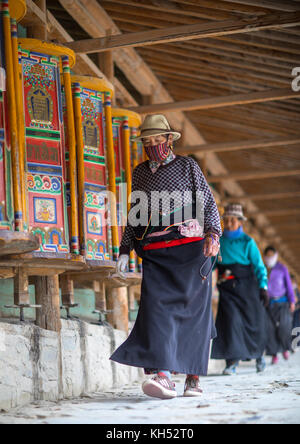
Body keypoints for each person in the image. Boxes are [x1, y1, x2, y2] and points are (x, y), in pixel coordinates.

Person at [110, 114, 222, 400]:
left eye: (157, 139)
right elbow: (135, 214)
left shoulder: (188, 166)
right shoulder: (140, 173)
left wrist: (213, 234)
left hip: (191, 251)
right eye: (147, 141)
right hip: (156, 254)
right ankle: (163, 374)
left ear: (169, 140)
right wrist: (124, 249)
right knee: (157, 310)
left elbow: (207, 202)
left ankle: (193, 378)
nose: (152, 145)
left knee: (193, 314)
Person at [211, 204, 269, 375]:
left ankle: (259, 356)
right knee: (231, 323)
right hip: (228, 290)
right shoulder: (219, 241)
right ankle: (232, 363)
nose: (229, 223)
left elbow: (259, 266)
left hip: (248, 289)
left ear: (240, 222)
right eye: (226, 220)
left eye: (233, 220)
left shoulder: (247, 242)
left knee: (253, 323)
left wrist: (263, 287)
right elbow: (212, 263)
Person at [264, 246, 296, 364]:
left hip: (283, 302)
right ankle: (274, 354)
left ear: (276, 255)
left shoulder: (282, 268)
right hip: (269, 303)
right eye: (268, 255)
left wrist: (292, 301)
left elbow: (288, 285)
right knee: (270, 329)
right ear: (265, 256)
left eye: (272, 255)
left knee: (284, 326)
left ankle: (284, 348)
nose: (270, 257)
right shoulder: (263, 268)